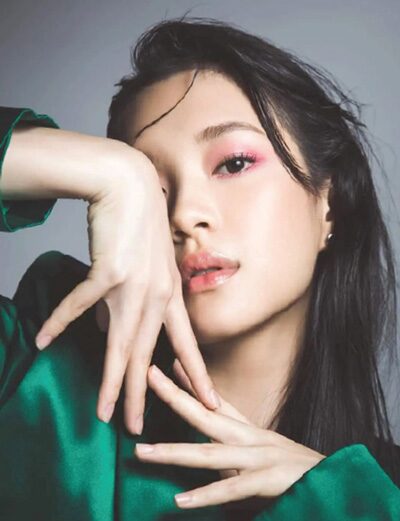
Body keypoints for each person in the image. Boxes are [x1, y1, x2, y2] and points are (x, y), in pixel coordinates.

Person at [1, 15, 400, 521]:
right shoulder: (33, 386)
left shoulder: (382, 494)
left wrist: (341, 502)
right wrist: (113, 173)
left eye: (233, 164)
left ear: (331, 204)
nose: (185, 215)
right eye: (155, 191)